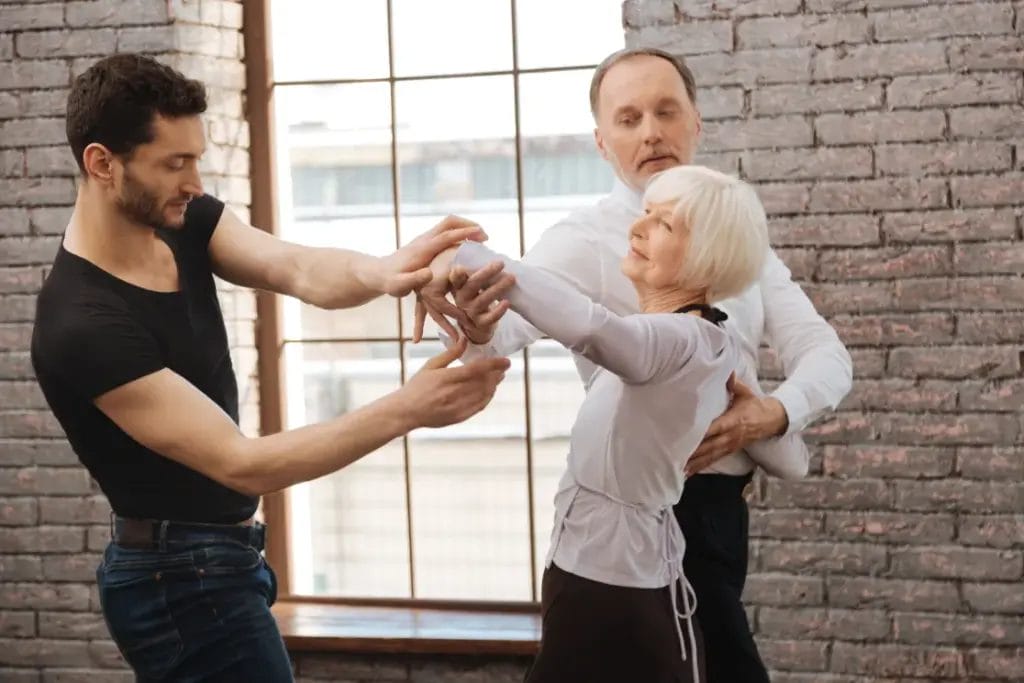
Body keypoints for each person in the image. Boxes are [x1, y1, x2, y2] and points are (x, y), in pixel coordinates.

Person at [30, 53, 509, 682]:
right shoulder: (82, 324)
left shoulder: (183, 219)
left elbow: (298, 269)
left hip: (220, 558)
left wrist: (389, 270)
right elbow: (241, 461)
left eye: (196, 158)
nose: (195, 180)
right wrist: (409, 408)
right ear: (102, 164)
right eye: (175, 163)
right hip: (175, 581)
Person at [428, 47, 853, 683]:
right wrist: (475, 306)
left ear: (696, 122)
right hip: (645, 512)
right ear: (602, 141)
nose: (650, 130)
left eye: (665, 111)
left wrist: (772, 413)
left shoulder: (737, 234)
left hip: (719, 508)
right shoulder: (586, 239)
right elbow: (502, 333)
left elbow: (826, 355)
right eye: (628, 119)